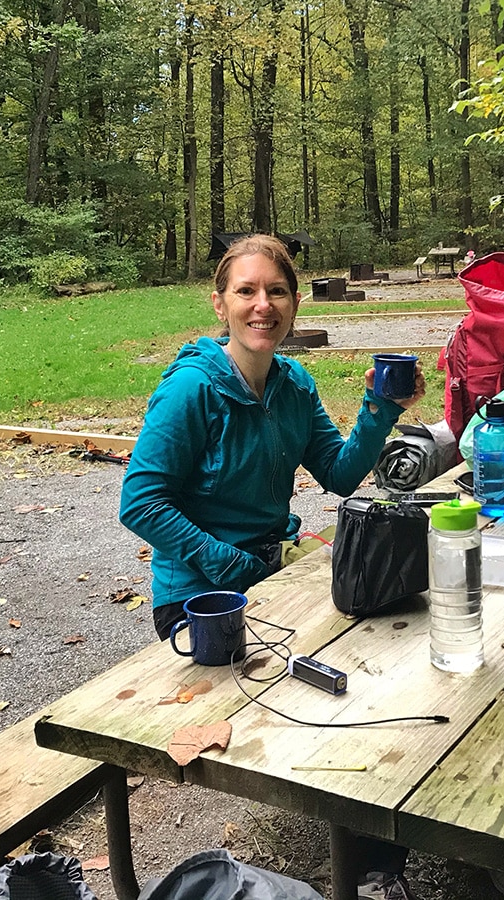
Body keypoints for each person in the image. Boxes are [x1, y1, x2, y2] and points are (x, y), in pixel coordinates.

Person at [119, 235, 425, 898]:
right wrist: (232, 563)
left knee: (380, 644)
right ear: (221, 304)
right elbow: (139, 501)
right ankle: (368, 872)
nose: (263, 305)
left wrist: (380, 410)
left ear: (293, 302)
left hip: (270, 574)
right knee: (332, 684)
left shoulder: (293, 384)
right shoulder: (192, 392)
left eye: (277, 291)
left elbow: (341, 475)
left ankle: (377, 859)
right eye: (246, 291)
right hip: (200, 603)